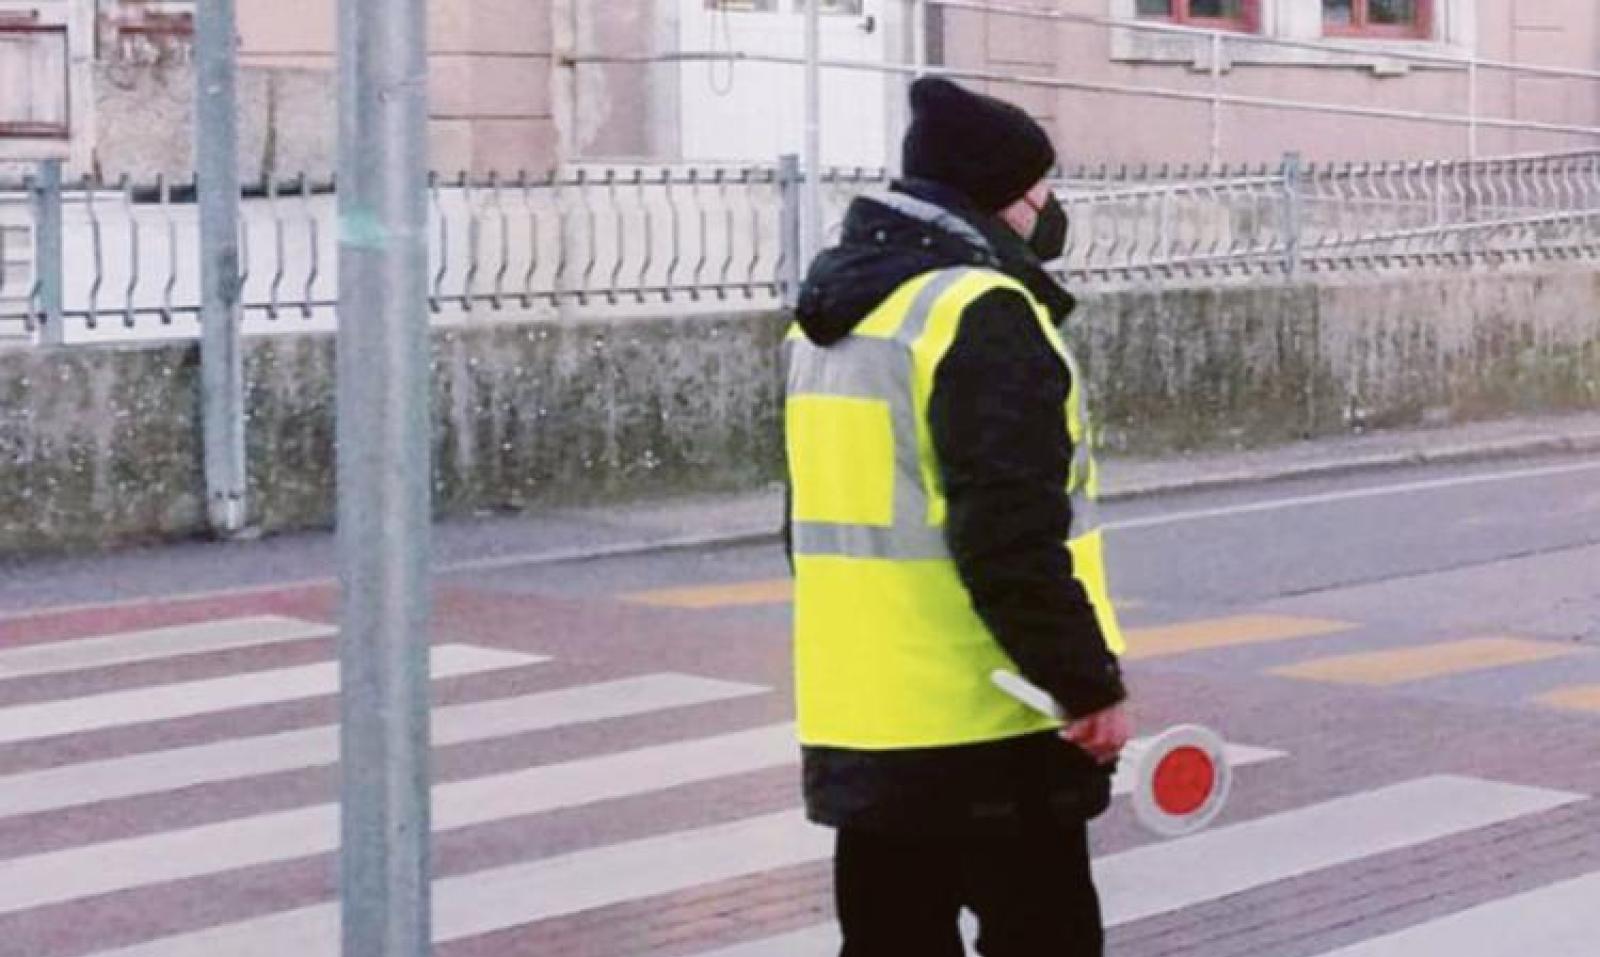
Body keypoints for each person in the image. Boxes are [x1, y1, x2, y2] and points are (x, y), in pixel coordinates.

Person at [783, 76, 1131, 957]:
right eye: (1039, 189)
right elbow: (1009, 536)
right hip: (990, 722)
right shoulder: (980, 315)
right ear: (994, 199)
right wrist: (1084, 681)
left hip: (865, 722)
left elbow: (809, 529)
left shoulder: (834, 318)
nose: (1050, 210)